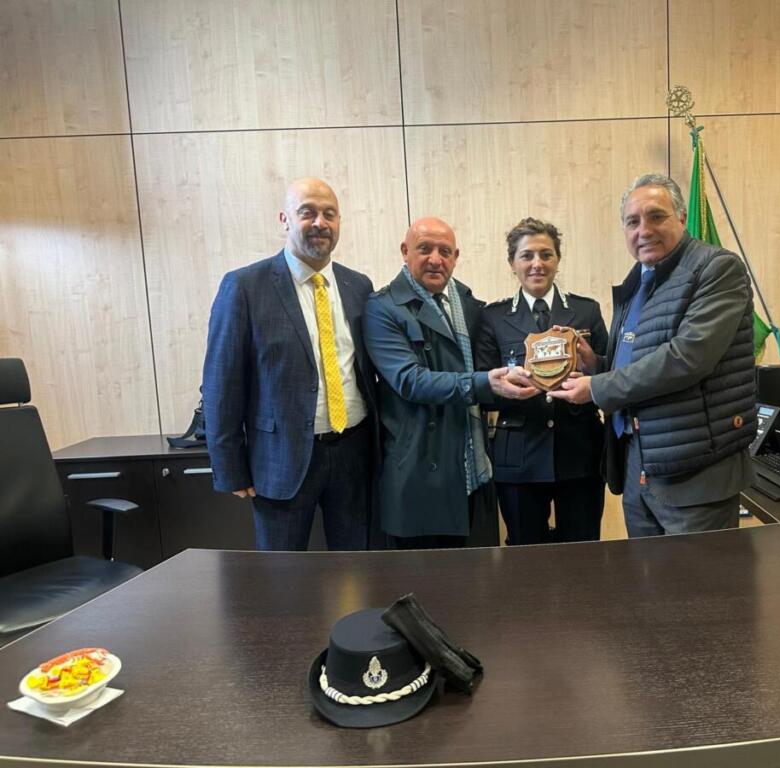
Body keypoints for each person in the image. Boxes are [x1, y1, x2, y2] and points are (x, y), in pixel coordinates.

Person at [549, 174, 757, 536]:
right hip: (638, 461)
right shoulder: (639, 281)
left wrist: (597, 388)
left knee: (698, 573)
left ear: (682, 218)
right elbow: (639, 361)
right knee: (646, 572)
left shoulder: (717, 268)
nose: (643, 230)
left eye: (656, 216)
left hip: (694, 471)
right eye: (632, 221)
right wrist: (595, 365)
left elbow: (686, 358)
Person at [202, 177, 376, 551]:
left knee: (356, 568)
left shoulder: (359, 286)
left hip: (354, 452)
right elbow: (221, 383)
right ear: (285, 220)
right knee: (283, 574)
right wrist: (230, 467)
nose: (320, 223)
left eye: (329, 214)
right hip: (281, 458)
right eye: (307, 212)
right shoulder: (245, 287)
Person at [363, 217, 538, 549]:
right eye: (424, 249)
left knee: (472, 576)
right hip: (418, 469)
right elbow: (409, 380)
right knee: (420, 576)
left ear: (456, 257)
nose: (435, 259)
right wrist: (485, 383)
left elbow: (492, 359)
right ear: (405, 251)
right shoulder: (382, 307)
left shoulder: (468, 304)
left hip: (469, 469)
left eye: (445, 251)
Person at [474, 217, 608, 544]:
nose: (537, 263)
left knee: (583, 550)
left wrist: (592, 367)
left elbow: (612, 375)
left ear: (557, 260)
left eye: (546, 255)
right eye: (527, 255)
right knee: (525, 557)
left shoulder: (586, 311)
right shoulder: (493, 317)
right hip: (519, 456)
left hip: (579, 452)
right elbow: (483, 390)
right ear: (512, 263)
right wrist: (507, 387)